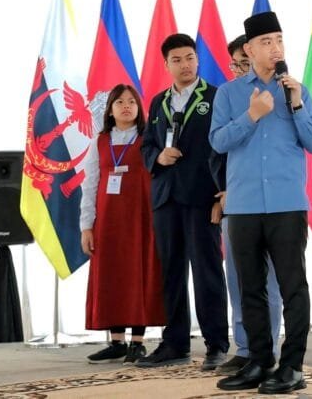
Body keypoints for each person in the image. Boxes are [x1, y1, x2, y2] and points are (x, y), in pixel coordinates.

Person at [210, 11, 312, 394]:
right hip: (242, 207)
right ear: (249, 49)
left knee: (293, 287)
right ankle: (259, 361)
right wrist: (252, 116)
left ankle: (292, 367)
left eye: (279, 40)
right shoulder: (228, 94)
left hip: (287, 204)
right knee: (250, 288)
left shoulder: (297, 90)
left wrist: (295, 103)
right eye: (266, 42)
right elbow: (218, 142)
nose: (275, 48)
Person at [138, 33, 229, 370]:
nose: (185, 64)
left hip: (203, 197)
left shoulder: (217, 97)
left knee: (207, 272)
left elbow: (225, 148)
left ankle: (217, 343)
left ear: (197, 59)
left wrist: (223, 192)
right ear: (166, 65)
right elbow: (146, 145)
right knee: (170, 272)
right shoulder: (158, 101)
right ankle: (174, 342)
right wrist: (158, 157)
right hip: (166, 198)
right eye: (177, 60)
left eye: (190, 57)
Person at [79, 84, 164, 365]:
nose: (126, 106)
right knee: (112, 275)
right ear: (110, 109)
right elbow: (90, 184)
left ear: (139, 109)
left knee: (139, 273)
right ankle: (116, 342)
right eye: (119, 102)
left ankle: (137, 342)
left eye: (132, 102)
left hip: (141, 218)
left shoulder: (149, 139)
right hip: (108, 222)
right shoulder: (100, 141)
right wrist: (86, 225)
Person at [215, 34, 284, 376]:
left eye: (243, 64)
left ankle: (266, 348)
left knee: (268, 283)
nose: (239, 70)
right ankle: (244, 347)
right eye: (235, 65)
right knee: (239, 281)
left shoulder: (284, 94)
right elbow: (217, 150)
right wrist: (221, 192)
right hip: (234, 205)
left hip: (274, 207)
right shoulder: (227, 97)